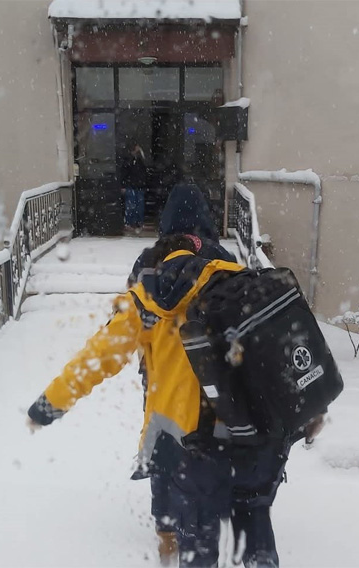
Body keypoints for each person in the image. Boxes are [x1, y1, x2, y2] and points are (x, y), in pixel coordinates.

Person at [27, 234, 323, 567]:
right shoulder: (239, 278)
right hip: (261, 436)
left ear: (153, 264)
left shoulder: (146, 300)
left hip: (202, 445)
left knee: (199, 539)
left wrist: (50, 404)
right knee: (254, 518)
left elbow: (96, 358)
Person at [126, 186, 237, 566]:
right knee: (203, 448)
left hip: (160, 374)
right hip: (210, 377)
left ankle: (166, 527)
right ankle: (200, 524)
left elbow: (137, 308)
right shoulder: (223, 259)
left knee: (163, 444)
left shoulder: (150, 260)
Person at [121, 143, 147, 234]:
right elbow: (124, 172)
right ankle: (130, 222)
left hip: (137, 185)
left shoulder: (140, 161)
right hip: (131, 185)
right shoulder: (129, 161)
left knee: (139, 206)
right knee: (131, 205)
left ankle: (138, 222)